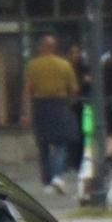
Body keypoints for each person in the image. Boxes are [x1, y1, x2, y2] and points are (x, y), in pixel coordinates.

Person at [24, 35, 80, 191]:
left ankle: (47, 181)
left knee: (43, 145)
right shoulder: (65, 65)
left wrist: (25, 113)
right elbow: (74, 89)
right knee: (63, 142)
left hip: (40, 106)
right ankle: (56, 174)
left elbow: (28, 90)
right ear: (54, 48)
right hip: (60, 105)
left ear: (42, 47)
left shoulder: (33, 65)